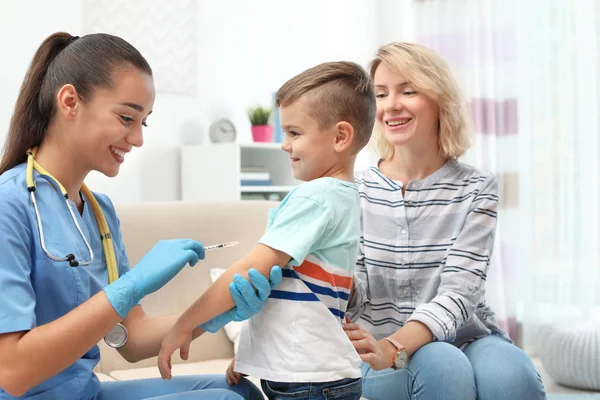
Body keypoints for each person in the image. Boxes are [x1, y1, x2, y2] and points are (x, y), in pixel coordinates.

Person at [0, 31, 282, 400]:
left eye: (143, 122)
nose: (137, 139)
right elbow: (12, 371)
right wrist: (133, 285)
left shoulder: (100, 213)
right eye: (126, 117)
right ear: (70, 101)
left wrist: (217, 314)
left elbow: (131, 340)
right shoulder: (11, 205)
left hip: (86, 392)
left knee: (240, 391)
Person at [157, 61, 377, 400]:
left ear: (340, 136)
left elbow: (248, 270)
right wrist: (254, 357)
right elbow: (298, 297)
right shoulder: (339, 197)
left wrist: (185, 325)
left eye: (294, 133)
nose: (284, 145)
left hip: (309, 381)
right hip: (309, 375)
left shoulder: (316, 197)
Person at [342, 42, 546, 400]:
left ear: (440, 101)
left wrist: (397, 343)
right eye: (381, 94)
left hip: (466, 337)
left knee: (513, 379)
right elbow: (352, 294)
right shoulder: (353, 191)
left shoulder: (477, 188)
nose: (392, 105)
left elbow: (458, 292)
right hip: (376, 350)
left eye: (408, 91)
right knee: (443, 365)